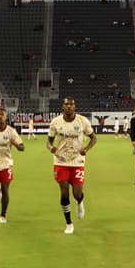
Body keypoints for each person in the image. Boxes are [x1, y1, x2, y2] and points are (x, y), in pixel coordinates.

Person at [47, 97, 96, 234]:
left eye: (71, 104)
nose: (69, 106)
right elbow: (49, 142)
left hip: (77, 161)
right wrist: (52, 149)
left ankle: (80, 202)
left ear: (75, 107)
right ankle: (69, 224)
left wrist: (86, 149)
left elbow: (94, 138)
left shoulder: (82, 121)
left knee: (77, 193)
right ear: (63, 106)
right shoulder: (56, 122)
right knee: (64, 191)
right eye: (66, 104)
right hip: (61, 160)